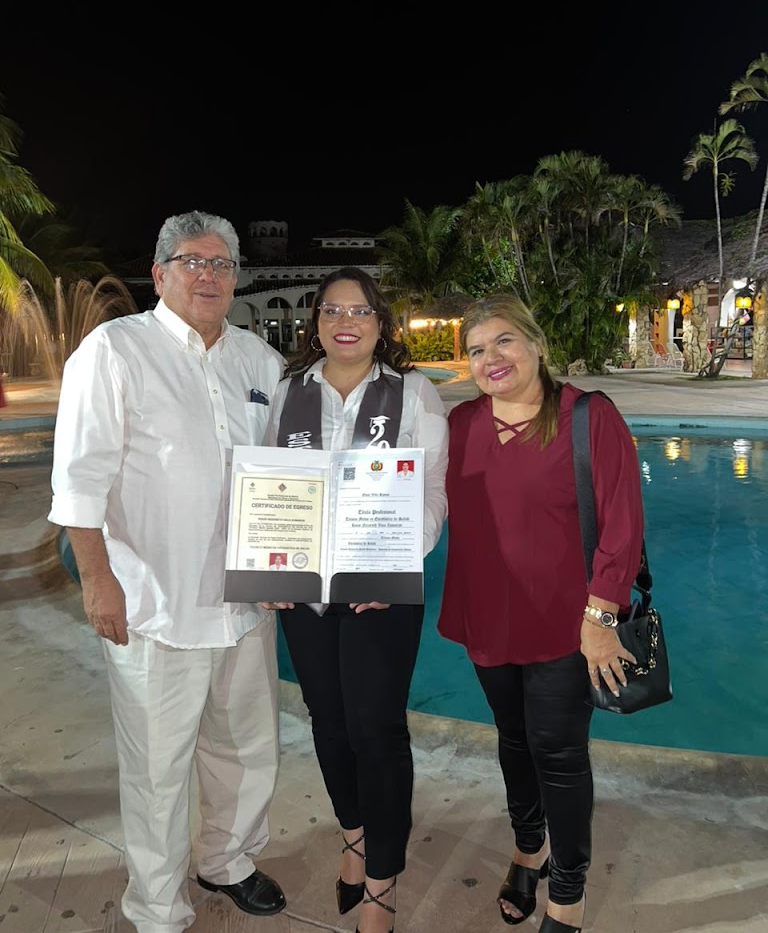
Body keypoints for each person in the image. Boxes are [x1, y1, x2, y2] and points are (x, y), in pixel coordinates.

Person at [48, 210, 287, 933]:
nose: (207, 275)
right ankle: (157, 907)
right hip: (154, 601)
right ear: (159, 274)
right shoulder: (115, 350)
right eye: (192, 262)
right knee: (156, 770)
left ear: (236, 278)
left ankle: (227, 861)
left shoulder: (258, 361)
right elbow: (80, 478)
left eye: (221, 264)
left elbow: (286, 476)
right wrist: (98, 580)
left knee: (246, 749)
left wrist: (290, 567)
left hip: (245, 601)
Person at [437, 293, 643, 933]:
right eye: (476, 349)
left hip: (566, 624)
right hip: (487, 618)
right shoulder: (460, 424)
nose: (490, 358)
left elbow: (623, 523)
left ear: (535, 344)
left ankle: (568, 892)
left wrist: (601, 618)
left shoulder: (588, 416)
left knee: (558, 752)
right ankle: (530, 849)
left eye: (503, 341)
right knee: (514, 739)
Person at [262, 266, 448, 933]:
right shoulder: (288, 392)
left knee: (377, 728)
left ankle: (381, 884)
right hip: (307, 594)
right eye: (333, 310)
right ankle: (355, 836)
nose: (346, 321)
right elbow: (271, 484)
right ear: (315, 322)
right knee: (328, 720)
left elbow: (434, 491)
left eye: (360, 310)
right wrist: (266, 565)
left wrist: (393, 562)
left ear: (380, 322)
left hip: (380, 594)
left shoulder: (413, 392)